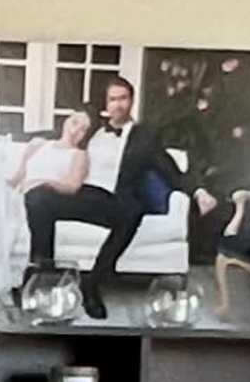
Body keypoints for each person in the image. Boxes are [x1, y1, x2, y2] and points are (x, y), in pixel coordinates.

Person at [20, 75, 213, 317]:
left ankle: (92, 283)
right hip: (83, 193)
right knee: (38, 198)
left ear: (131, 101)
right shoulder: (92, 128)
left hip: (114, 199)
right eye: (113, 99)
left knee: (133, 209)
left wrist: (198, 191)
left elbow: (170, 169)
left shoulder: (145, 136)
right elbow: (64, 130)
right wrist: (30, 140)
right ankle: (40, 276)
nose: (118, 105)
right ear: (106, 103)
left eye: (123, 99)